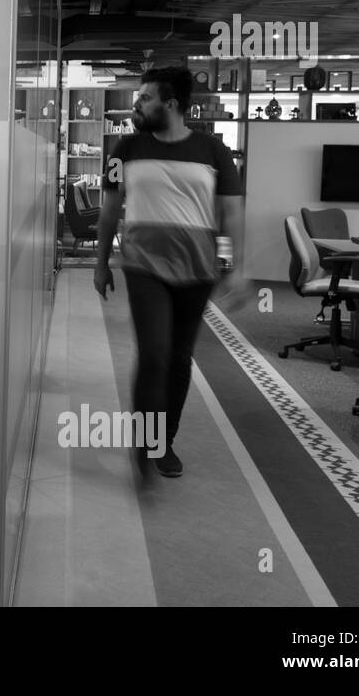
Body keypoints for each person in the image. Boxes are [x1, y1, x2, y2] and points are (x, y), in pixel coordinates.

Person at [93, 66, 250, 478]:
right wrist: (101, 262)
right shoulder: (125, 148)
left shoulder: (213, 151)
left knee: (180, 359)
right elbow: (110, 209)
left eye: (144, 98)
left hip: (198, 269)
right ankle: (145, 444)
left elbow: (232, 210)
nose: (136, 104)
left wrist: (237, 267)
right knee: (155, 355)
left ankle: (165, 442)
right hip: (143, 264)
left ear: (172, 104)